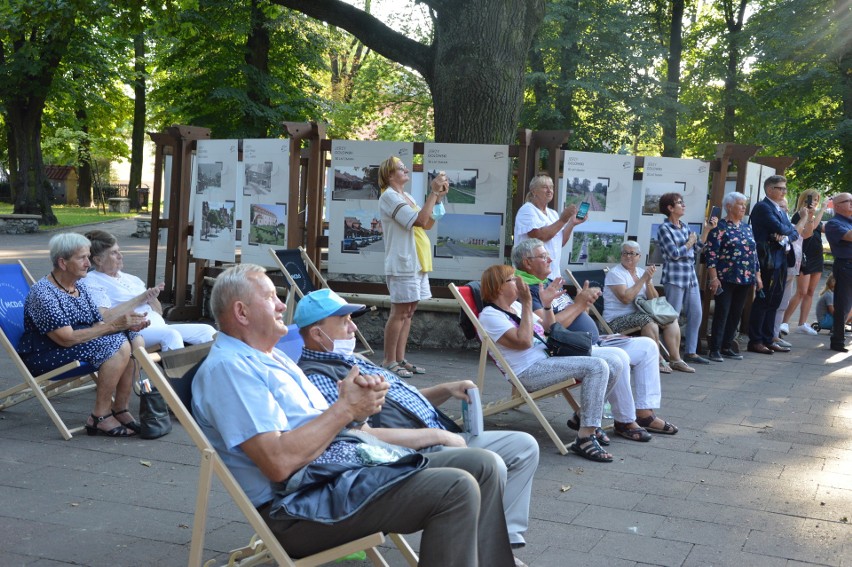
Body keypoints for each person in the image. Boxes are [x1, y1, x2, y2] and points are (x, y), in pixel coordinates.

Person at [191, 264, 514, 567]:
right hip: (300, 508)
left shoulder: (271, 357)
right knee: (456, 488)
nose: (280, 305)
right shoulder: (230, 370)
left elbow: (325, 426)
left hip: (340, 474)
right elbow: (278, 462)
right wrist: (344, 409)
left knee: (481, 465)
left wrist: (358, 410)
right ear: (241, 312)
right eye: (270, 297)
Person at [294, 288, 539, 554]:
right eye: (344, 322)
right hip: (411, 452)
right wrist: (438, 436)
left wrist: (445, 389)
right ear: (318, 334)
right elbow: (357, 437)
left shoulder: (353, 359)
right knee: (490, 466)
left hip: (438, 435)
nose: (354, 327)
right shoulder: (319, 377)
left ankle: (506, 541)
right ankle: (487, 551)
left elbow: (401, 404)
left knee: (524, 446)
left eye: (352, 319)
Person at [512, 239, 677, 441]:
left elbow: (574, 314)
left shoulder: (547, 283)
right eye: (544, 256)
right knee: (620, 357)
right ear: (527, 262)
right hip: (570, 348)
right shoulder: (528, 289)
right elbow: (546, 329)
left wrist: (585, 303)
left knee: (648, 347)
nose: (550, 259)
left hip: (593, 340)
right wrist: (579, 304)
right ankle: (624, 419)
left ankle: (644, 413)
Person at [477, 264, 619, 462]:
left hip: (548, 359)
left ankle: (583, 417)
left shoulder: (516, 306)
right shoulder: (490, 316)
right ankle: (585, 436)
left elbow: (549, 328)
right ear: (499, 287)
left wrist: (546, 305)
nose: (522, 283)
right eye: (514, 280)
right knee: (597, 366)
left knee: (613, 361)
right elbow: (524, 341)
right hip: (528, 372)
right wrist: (527, 304)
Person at [18, 232, 150, 437]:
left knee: (133, 338)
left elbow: (98, 322)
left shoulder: (79, 286)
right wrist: (115, 327)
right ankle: (100, 416)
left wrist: (127, 326)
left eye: (88, 257)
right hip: (47, 353)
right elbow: (66, 338)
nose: (89, 263)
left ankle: (121, 408)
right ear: (63, 262)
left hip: (77, 345)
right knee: (115, 344)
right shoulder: (43, 294)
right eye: (82, 258)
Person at [84, 230, 216, 352]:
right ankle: (176, 377)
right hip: (130, 332)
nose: (120, 256)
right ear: (98, 260)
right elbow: (105, 318)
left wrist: (152, 298)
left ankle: (209, 375)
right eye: (114, 253)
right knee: (171, 335)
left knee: (207, 331)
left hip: (158, 328)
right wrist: (140, 298)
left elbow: (158, 313)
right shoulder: (92, 281)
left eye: (119, 251)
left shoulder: (132, 279)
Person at [377, 156, 448, 378]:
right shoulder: (388, 196)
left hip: (416, 261)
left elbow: (426, 223)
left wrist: (437, 199)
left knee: (408, 312)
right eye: (401, 168)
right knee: (399, 312)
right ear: (389, 175)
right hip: (403, 262)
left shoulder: (405, 196)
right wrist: (433, 194)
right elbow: (416, 221)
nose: (406, 169)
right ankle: (388, 360)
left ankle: (400, 358)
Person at [603, 241, 694, 373]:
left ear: (639, 256)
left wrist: (648, 282)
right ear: (621, 255)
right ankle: (656, 360)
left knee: (670, 319)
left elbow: (653, 300)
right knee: (648, 321)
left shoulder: (641, 272)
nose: (628, 256)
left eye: (632, 254)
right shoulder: (615, 273)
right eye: (625, 253)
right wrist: (643, 279)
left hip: (640, 314)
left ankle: (676, 360)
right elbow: (626, 299)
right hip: (616, 320)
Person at [747, 175, 806, 354]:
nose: (784, 192)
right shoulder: (763, 207)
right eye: (781, 188)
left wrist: (786, 233)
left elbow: (792, 234)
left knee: (775, 300)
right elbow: (784, 229)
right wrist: (787, 230)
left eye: (784, 189)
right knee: (764, 300)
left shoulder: (778, 209)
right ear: (769, 189)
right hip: (767, 261)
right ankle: (756, 340)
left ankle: (768, 338)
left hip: (780, 259)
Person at [656, 192, 716, 365]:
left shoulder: (685, 226)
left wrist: (706, 231)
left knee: (696, 313)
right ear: (670, 208)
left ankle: (690, 352)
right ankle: (670, 354)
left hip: (690, 276)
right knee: (672, 317)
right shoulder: (664, 229)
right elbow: (673, 254)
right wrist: (689, 243)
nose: (683, 205)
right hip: (674, 277)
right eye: (679, 203)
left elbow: (696, 248)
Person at [705, 192, 761, 362]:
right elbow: (711, 254)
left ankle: (727, 346)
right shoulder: (720, 227)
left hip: (745, 277)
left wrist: (758, 276)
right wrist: (714, 278)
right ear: (729, 206)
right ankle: (714, 349)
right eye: (740, 204)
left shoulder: (746, 227)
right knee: (722, 312)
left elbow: (754, 253)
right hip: (725, 277)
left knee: (736, 313)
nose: (744, 207)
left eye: (745, 204)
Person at [513, 173, 585, 280]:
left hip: (553, 276)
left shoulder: (553, 213)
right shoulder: (527, 210)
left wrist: (571, 223)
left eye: (551, 187)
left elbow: (560, 242)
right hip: (532, 278)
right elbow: (540, 236)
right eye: (544, 187)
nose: (549, 190)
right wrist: (562, 220)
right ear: (533, 191)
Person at [782, 189, 826, 336]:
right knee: (801, 291)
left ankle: (802, 323)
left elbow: (820, 227)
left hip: (817, 255)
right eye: (812, 199)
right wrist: (816, 213)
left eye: (816, 200)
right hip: (804, 256)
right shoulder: (800, 215)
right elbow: (809, 232)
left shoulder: (813, 215)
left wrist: (819, 211)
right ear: (804, 199)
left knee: (811, 292)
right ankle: (784, 322)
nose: (814, 202)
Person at [824, 192, 852, 352]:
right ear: (837, 205)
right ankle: (838, 341)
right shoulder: (834, 223)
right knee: (843, 304)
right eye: (849, 201)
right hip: (846, 267)